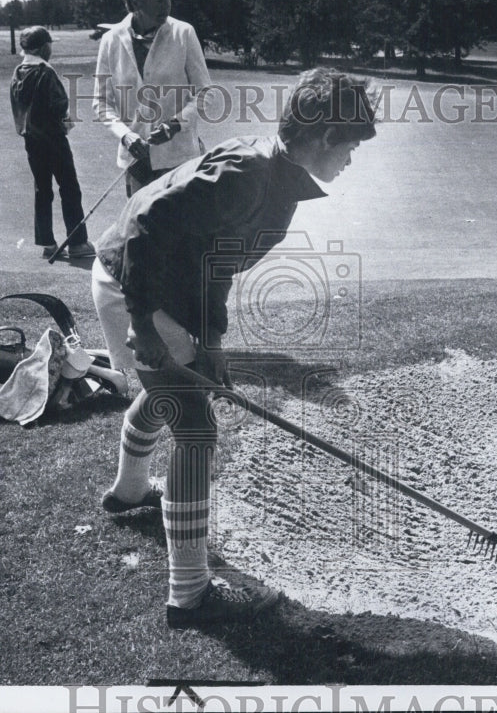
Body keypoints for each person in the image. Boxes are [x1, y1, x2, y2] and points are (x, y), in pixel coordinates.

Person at [91, 67, 378, 628]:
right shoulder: (248, 172)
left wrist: (212, 339)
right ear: (323, 137)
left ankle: (128, 493)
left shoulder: (281, 181)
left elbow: (216, 263)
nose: (350, 159)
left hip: (163, 292)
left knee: (179, 385)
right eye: (349, 146)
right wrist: (144, 325)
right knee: (196, 427)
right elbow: (146, 227)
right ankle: (190, 594)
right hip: (132, 283)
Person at [92, 0, 212, 198]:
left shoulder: (183, 33)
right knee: (141, 231)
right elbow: (101, 103)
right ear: (137, 0)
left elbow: (205, 94)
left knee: (181, 230)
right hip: (137, 163)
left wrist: (176, 124)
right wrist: (125, 135)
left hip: (179, 158)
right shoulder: (111, 40)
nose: (166, 5)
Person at [10, 26, 95, 260]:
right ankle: (77, 242)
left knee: (42, 189)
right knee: (69, 187)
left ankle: (47, 242)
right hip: (53, 138)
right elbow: (59, 104)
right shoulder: (46, 72)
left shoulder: (19, 71)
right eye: (49, 44)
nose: (51, 49)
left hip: (31, 139)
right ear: (42, 47)